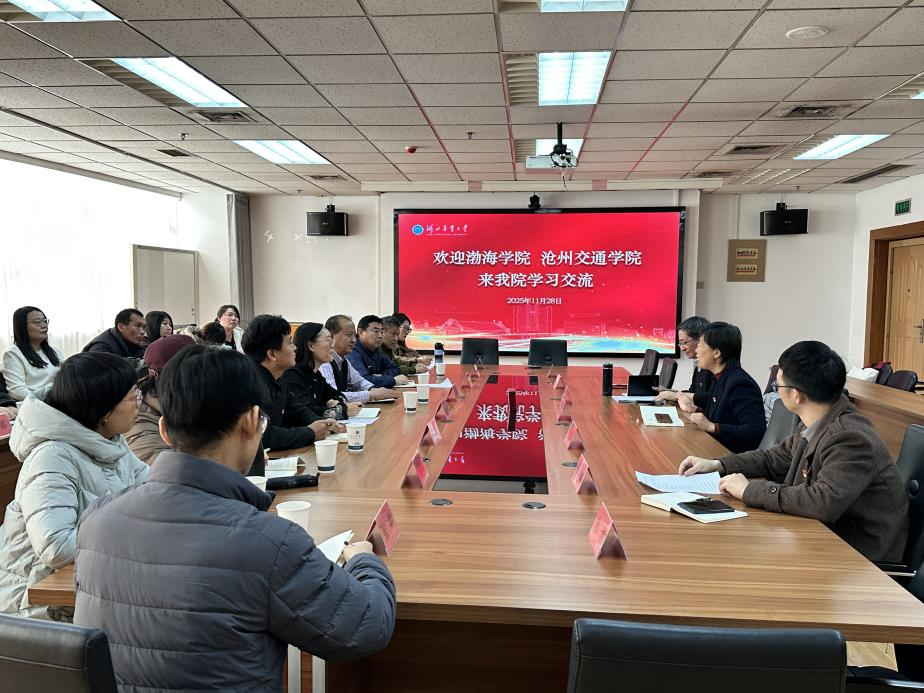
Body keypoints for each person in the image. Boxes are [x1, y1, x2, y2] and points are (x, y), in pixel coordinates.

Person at [73, 346, 397, 690]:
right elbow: (366, 627)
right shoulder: (268, 542)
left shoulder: (96, 520)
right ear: (251, 422)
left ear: (164, 430)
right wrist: (364, 560)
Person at [679, 340, 909, 563]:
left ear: (796, 395)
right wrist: (719, 464)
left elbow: (822, 502)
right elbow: (775, 458)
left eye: (777, 387)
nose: (776, 392)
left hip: (859, 557)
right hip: (824, 537)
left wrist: (749, 490)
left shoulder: (849, 438)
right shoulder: (819, 417)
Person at [0, 353, 149, 617]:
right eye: (133, 397)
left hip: (90, 586)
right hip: (43, 605)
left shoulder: (109, 441)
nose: (140, 403)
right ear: (104, 410)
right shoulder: (52, 457)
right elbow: (56, 548)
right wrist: (132, 528)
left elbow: (152, 488)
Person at [242, 314, 336, 451]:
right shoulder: (250, 384)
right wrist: (310, 433)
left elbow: (297, 411)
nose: (295, 348)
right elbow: (263, 436)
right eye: (289, 343)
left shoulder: (278, 379)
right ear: (272, 354)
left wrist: (323, 424)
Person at [676, 321, 765, 453]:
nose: (697, 350)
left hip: (730, 456)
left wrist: (711, 427)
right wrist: (694, 409)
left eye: (700, 344)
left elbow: (755, 432)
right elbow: (721, 417)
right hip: (713, 448)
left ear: (716, 353)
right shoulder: (720, 377)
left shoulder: (740, 383)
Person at [126, 334, 194, 464]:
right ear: (156, 376)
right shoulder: (138, 416)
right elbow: (159, 465)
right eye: (189, 374)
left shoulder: (194, 399)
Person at [282, 323, 362, 423]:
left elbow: (337, 395)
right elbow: (304, 413)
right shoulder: (293, 376)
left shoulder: (315, 374)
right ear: (311, 346)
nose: (333, 345)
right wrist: (341, 410)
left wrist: (332, 402)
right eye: (328, 340)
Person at [320, 315, 398, 404]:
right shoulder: (324, 362)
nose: (353, 340)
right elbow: (333, 395)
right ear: (331, 336)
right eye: (349, 335)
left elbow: (359, 381)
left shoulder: (343, 360)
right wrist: (370, 394)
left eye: (354, 335)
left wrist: (372, 389)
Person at [1, 306, 62, 402]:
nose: (44, 325)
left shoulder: (55, 352)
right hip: (35, 404)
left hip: (58, 400)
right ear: (22, 327)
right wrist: (47, 399)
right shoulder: (13, 355)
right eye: (37, 322)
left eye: (45, 321)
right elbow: (17, 391)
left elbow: (65, 379)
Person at [656, 315, 714, 406]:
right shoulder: (699, 364)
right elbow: (693, 392)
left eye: (685, 342)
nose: (682, 348)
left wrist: (676, 396)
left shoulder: (712, 366)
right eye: (680, 343)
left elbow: (711, 399)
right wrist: (668, 391)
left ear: (701, 340)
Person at [348, 315, 410, 389]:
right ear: (360, 332)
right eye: (376, 331)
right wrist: (393, 380)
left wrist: (381, 375)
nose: (380, 336)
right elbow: (362, 381)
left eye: (382, 332)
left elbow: (395, 369)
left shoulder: (376, 349)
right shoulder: (353, 351)